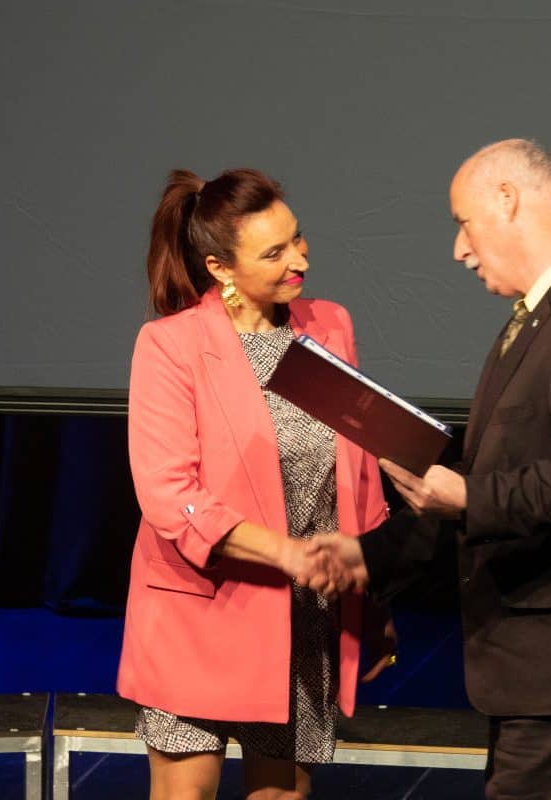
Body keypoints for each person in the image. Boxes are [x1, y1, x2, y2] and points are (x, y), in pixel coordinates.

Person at [309, 140, 551, 799]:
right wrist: (370, 554)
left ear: (508, 200)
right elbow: (492, 475)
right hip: (549, 673)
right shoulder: (547, 318)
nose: (459, 248)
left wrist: (466, 496)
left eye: (463, 222)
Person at [117, 168, 392, 800]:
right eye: (274, 253)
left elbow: (360, 471)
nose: (300, 259)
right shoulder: (171, 345)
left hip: (302, 619)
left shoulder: (329, 326)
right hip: (200, 612)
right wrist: (287, 554)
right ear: (220, 268)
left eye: (297, 238)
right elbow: (168, 494)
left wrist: (376, 595)